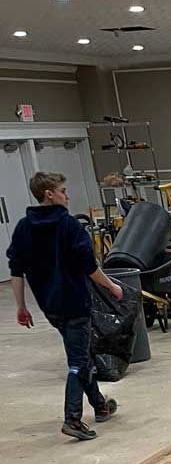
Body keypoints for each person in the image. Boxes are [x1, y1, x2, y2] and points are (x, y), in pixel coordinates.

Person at [7, 171, 125, 441]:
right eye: (62, 190)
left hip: (50, 307)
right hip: (74, 303)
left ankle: (100, 405)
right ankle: (72, 418)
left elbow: (16, 271)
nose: (67, 196)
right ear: (49, 194)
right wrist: (112, 286)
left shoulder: (23, 228)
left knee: (80, 355)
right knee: (77, 361)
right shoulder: (69, 226)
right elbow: (90, 267)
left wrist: (21, 307)